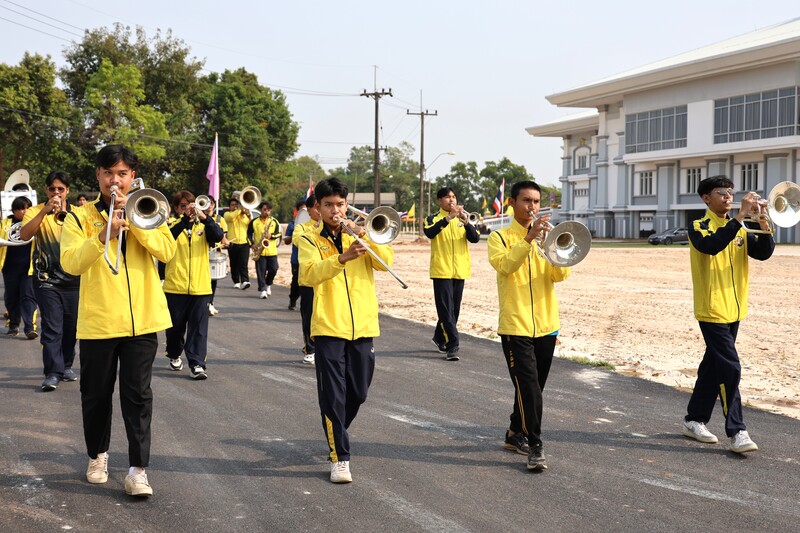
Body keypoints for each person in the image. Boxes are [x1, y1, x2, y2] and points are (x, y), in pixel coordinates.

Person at [61, 144, 176, 497]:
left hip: (143, 320)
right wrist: (103, 235)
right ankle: (97, 456)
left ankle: (138, 470)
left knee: (138, 396)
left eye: (123, 174)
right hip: (99, 322)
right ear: (98, 174)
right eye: (109, 173)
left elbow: (168, 252)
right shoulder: (79, 217)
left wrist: (137, 223)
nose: (115, 180)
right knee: (95, 395)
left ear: (133, 177)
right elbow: (70, 263)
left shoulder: (148, 208)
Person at [296, 178, 394, 483]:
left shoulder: (360, 233)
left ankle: (335, 429)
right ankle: (340, 456)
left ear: (347, 205)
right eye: (328, 205)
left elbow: (385, 264)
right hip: (328, 326)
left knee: (359, 393)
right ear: (318, 207)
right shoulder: (308, 238)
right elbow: (308, 275)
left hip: (363, 324)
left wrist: (366, 237)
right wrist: (341, 257)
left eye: (340, 204)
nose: (335, 210)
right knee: (333, 396)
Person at [681, 176, 774, 454]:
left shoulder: (741, 228)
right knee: (730, 368)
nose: (728, 196)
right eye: (721, 192)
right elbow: (711, 246)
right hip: (712, 310)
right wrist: (740, 218)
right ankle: (737, 430)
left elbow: (764, 253)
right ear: (706, 198)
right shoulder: (698, 226)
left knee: (713, 366)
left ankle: (694, 420)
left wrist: (763, 222)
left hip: (735, 309)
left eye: (731, 192)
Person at [487, 180, 570, 472]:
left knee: (532, 388)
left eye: (536, 201)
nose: (532, 206)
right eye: (526, 200)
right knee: (529, 387)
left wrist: (552, 249)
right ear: (512, 202)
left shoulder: (546, 238)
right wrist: (527, 240)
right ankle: (535, 444)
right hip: (516, 325)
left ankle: (514, 432)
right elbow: (505, 266)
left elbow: (560, 277)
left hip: (547, 324)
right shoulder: (499, 237)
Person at [20, 171, 80, 392]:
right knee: (52, 326)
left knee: (71, 328)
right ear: (46, 190)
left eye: (60, 189)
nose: (56, 193)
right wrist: (45, 211)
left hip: (74, 279)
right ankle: (53, 372)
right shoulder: (35, 211)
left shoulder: (78, 213)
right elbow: (25, 235)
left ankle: (66, 365)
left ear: (67, 191)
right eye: (52, 189)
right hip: (46, 280)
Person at [163, 190, 224, 379]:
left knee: (199, 329)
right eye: (183, 206)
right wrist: (184, 220)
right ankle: (174, 354)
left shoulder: (204, 226)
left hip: (200, 287)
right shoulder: (170, 225)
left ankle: (197, 364)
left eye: (191, 206)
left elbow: (218, 235)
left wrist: (205, 218)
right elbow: (168, 239)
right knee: (175, 329)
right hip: (175, 287)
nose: (188, 209)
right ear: (176, 208)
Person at [423, 187, 480, 361]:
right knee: (446, 310)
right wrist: (448, 218)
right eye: (448, 197)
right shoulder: (432, 218)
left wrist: (466, 222)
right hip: (441, 270)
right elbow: (429, 233)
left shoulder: (463, 219)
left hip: (460, 270)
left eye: (454, 197)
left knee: (453, 310)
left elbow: (475, 238)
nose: (452, 200)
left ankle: (439, 337)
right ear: (439, 201)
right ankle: (453, 346)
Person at [1, 196, 36, 339]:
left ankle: (29, 328)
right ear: (14, 210)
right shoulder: (5, 224)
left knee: (28, 297)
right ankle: (13, 325)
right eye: (21, 208)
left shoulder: (35, 222)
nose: (24, 211)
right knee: (11, 297)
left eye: (27, 208)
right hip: (9, 267)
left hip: (29, 267)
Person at [292, 194, 320, 364]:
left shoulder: (333, 227)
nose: (320, 210)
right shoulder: (302, 227)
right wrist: (316, 228)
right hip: (309, 279)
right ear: (308, 210)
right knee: (308, 315)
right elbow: (297, 241)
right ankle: (310, 348)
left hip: (328, 279)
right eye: (316, 207)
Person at [247, 201, 281, 299]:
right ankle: (263, 290)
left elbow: (279, 234)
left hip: (271, 251)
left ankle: (268, 284)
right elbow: (248, 234)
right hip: (259, 251)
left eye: (269, 210)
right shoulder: (254, 222)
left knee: (274, 269)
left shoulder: (274, 221)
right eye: (265, 210)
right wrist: (252, 244)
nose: (267, 212)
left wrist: (271, 236)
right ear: (260, 210)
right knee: (260, 272)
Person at [205, 197, 228, 316]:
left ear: (214, 205)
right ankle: (205, 303)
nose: (209, 205)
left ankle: (210, 303)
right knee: (204, 279)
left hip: (216, 252)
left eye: (212, 203)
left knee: (213, 279)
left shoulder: (220, 219)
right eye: (207, 203)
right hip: (203, 251)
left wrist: (225, 241)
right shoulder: (199, 218)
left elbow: (223, 236)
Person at [223, 196, 252, 290]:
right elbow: (231, 217)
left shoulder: (243, 215)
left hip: (244, 242)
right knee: (234, 263)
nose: (235, 206)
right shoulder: (227, 214)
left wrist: (248, 215)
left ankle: (245, 281)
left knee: (243, 263)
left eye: (236, 204)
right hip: (233, 243)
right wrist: (239, 209)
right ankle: (236, 281)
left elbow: (250, 225)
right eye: (232, 205)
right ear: (229, 207)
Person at [284, 199, 307, 310]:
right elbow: (286, 241)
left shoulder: (314, 224)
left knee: (307, 283)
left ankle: (305, 305)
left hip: (309, 259)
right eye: (302, 209)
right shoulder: (292, 225)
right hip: (296, 259)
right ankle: (292, 299)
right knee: (296, 282)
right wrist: (295, 234)